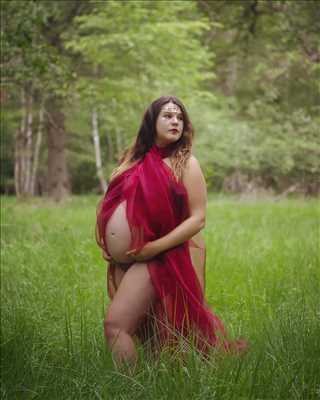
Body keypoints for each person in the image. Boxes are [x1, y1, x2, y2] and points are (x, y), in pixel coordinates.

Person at [96, 95, 244, 366]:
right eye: (168, 115)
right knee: (150, 337)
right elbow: (114, 203)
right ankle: (156, 387)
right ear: (152, 121)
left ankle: (129, 391)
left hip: (156, 256)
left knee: (115, 326)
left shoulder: (185, 163)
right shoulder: (132, 160)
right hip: (123, 259)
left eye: (180, 117)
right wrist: (111, 244)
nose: (175, 121)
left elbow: (198, 219)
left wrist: (153, 247)